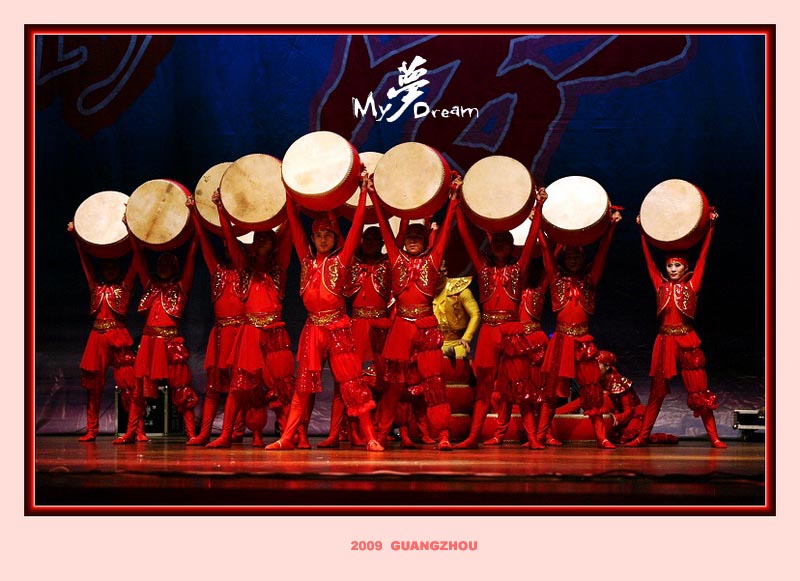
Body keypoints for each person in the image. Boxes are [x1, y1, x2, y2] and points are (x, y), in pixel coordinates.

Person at [266, 170, 383, 452]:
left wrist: (364, 193)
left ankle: (370, 437)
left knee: (352, 384)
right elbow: (295, 228)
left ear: (334, 238)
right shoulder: (307, 261)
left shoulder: (341, 261)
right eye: (317, 235)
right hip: (313, 328)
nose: (322, 239)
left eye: (327, 235)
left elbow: (355, 229)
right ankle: (287, 437)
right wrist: (289, 195)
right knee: (302, 387)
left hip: (338, 327)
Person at [367, 174, 461, 451]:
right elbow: (385, 229)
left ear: (426, 241)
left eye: (418, 237)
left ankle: (443, 434)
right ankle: (380, 434)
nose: (412, 240)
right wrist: (372, 194)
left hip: (426, 326)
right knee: (394, 386)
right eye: (409, 236)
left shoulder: (432, 259)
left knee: (433, 382)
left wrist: (453, 200)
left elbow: (445, 232)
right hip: (401, 327)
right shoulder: (396, 258)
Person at [453, 187, 547, 449]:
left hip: (512, 330)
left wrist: (538, 208)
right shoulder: (483, 269)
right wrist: (456, 205)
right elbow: (466, 236)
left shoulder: (519, 268)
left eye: (505, 241)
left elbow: (531, 239)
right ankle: (473, 437)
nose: (500, 244)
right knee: (484, 388)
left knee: (521, 386)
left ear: (511, 246)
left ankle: (532, 437)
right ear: (491, 245)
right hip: (489, 330)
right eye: (496, 241)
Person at [626, 210, 726, 448]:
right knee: (656, 392)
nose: (672, 269)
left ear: (685, 268)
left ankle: (714, 436)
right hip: (664, 342)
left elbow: (703, 258)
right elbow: (649, 263)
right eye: (669, 265)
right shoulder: (660, 285)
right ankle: (642, 436)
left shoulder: (692, 285)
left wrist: (711, 229)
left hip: (687, 339)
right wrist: (642, 233)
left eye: (677, 265)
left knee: (699, 390)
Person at [208, 191, 297, 448]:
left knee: (281, 386)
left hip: (274, 331)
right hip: (249, 333)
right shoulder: (244, 268)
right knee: (239, 387)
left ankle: (291, 435)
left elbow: (291, 236)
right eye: (257, 238)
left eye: (265, 238)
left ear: (273, 243)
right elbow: (231, 241)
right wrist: (221, 211)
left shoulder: (279, 267)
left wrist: (292, 206)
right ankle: (225, 435)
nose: (260, 242)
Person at [538, 207, 622, 449]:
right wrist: (539, 224)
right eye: (569, 256)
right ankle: (540, 436)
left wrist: (611, 228)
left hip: (583, 341)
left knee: (592, 391)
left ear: (583, 259)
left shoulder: (589, 281)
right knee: (551, 392)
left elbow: (602, 254)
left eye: (577, 256)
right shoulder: (556, 280)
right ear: (564, 259)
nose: (573, 259)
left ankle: (601, 437)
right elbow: (546, 253)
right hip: (561, 340)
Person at [114, 221, 199, 444]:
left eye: (168, 263)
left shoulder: (181, 287)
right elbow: (139, 260)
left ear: (175, 267)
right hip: (149, 342)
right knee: (138, 390)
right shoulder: (150, 285)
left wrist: (196, 236)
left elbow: (191, 260)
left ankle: (192, 434)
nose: (163, 266)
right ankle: (132, 432)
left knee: (181, 387)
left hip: (170, 342)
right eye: (160, 263)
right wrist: (132, 230)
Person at [319, 225, 393, 448]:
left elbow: (395, 239)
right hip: (357, 326)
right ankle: (336, 433)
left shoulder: (389, 262)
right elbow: (345, 237)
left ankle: (379, 432)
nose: (369, 242)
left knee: (384, 381)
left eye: (374, 239)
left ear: (381, 242)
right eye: (366, 238)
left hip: (381, 327)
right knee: (344, 383)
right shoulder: (351, 261)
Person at [184, 196, 247, 446]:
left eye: (232, 246)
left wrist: (222, 210)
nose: (228, 249)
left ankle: (235, 431)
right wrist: (195, 216)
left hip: (240, 332)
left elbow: (232, 244)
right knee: (213, 386)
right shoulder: (217, 271)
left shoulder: (245, 271)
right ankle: (205, 433)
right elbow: (205, 246)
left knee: (238, 384)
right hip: (220, 333)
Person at [67, 222, 137, 442]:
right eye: (106, 269)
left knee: (128, 385)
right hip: (96, 337)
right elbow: (85, 264)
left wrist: (136, 233)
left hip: (118, 334)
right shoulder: (95, 287)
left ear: (119, 270)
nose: (109, 272)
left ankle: (137, 430)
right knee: (93, 386)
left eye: (113, 268)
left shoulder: (124, 286)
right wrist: (77, 239)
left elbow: (137, 262)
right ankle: (92, 429)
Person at [595, 350, 678, 445]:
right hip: (613, 418)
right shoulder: (596, 381)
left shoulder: (619, 382)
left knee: (628, 436)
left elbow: (629, 411)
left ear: (607, 367)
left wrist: (615, 419)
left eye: (597, 365)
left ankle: (661, 437)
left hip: (631, 417)